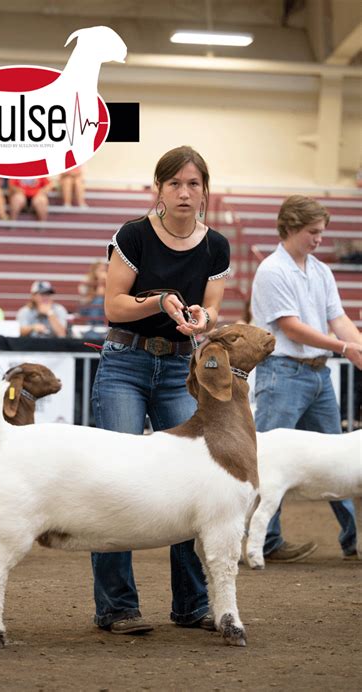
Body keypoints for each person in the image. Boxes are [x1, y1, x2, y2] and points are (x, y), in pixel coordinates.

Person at [90, 145, 231, 634]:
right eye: (175, 183)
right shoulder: (133, 235)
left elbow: (211, 308)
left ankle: (192, 605)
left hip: (178, 370)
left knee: (189, 483)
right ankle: (116, 606)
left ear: (204, 190)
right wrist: (159, 301)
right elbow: (114, 305)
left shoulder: (217, 246)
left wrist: (202, 317)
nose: (185, 192)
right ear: (159, 188)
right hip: (125, 363)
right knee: (116, 480)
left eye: (194, 184)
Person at [251, 195, 362, 563]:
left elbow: (338, 317)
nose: (319, 239)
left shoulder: (320, 270)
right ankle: (266, 542)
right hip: (282, 372)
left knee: (344, 461)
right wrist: (346, 347)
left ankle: (352, 539)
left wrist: (357, 344)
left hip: (316, 373)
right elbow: (291, 328)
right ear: (292, 228)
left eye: (321, 232)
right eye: (313, 232)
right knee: (266, 461)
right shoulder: (272, 270)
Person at [76, 260, 107, 335]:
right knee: (98, 301)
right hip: (86, 308)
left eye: (104, 270)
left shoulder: (107, 280)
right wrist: (99, 283)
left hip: (100, 310)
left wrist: (102, 282)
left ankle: (95, 326)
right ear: (94, 271)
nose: (103, 273)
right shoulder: (87, 280)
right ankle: (93, 325)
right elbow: (84, 299)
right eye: (100, 270)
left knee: (99, 301)